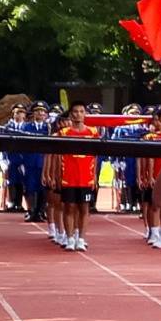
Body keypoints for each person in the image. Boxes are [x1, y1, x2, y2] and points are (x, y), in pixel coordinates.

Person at [50, 102, 98, 250]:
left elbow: (95, 156)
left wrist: (94, 175)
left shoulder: (93, 132)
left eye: (81, 111)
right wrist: (57, 175)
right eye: (75, 111)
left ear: (85, 114)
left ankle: (81, 239)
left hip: (86, 177)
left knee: (84, 208)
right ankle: (70, 238)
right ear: (71, 114)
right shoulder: (63, 133)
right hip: (68, 177)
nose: (78, 114)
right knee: (69, 207)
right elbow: (58, 156)